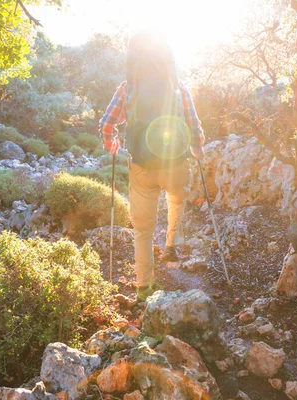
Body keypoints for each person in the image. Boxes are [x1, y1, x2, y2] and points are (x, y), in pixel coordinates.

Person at [99, 32, 205, 300]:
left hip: (142, 167)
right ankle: (171, 244)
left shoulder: (128, 88)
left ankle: (144, 287)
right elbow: (195, 128)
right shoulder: (178, 86)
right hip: (176, 164)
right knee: (176, 200)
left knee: (143, 230)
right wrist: (197, 149)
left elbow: (107, 124)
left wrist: (111, 144)